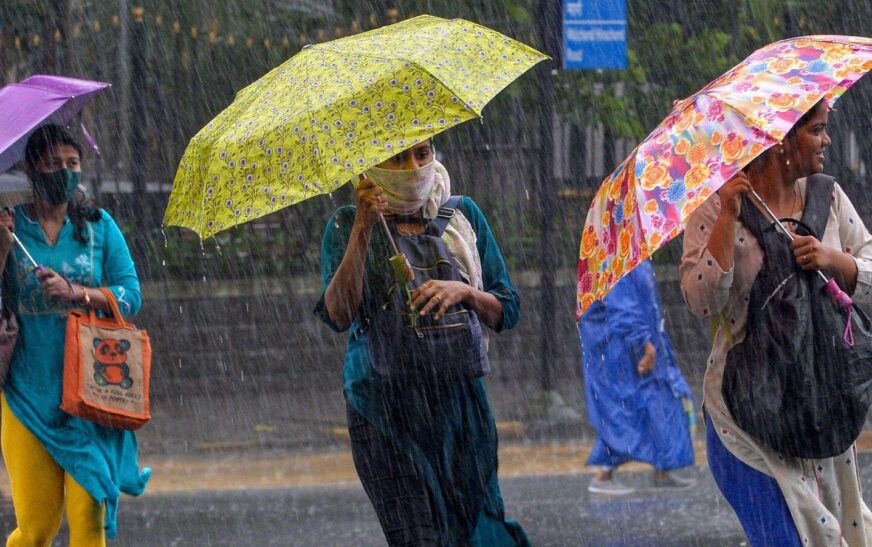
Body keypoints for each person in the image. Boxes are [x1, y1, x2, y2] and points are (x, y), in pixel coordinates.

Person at [315, 139, 528, 546]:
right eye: (397, 158)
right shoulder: (347, 223)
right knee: (416, 536)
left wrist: (463, 292)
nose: (413, 166)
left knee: (472, 529)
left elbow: (508, 308)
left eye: (422, 153)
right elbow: (339, 315)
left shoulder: (463, 216)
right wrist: (363, 226)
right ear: (370, 166)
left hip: (458, 404)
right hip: (383, 408)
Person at [681, 100, 872, 545]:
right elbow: (701, 300)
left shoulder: (829, 197)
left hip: (817, 407)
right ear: (781, 140)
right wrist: (728, 218)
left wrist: (836, 261)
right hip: (746, 416)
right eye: (817, 130)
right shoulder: (716, 205)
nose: (826, 140)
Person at [0, 124, 150, 545]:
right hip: (26, 392)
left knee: (88, 516)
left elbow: (131, 294)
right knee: (36, 529)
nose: (64, 172)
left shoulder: (99, 226)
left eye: (73, 164)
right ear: (31, 170)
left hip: (89, 389)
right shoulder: (10, 229)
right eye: (52, 165)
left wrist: (78, 292)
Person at [579, 259, 696, 495]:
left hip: (638, 344)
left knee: (658, 403)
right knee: (627, 409)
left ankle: (663, 468)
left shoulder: (631, 255)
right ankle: (604, 473)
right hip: (622, 349)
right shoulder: (615, 256)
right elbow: (623, 306)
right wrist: (643, 342)